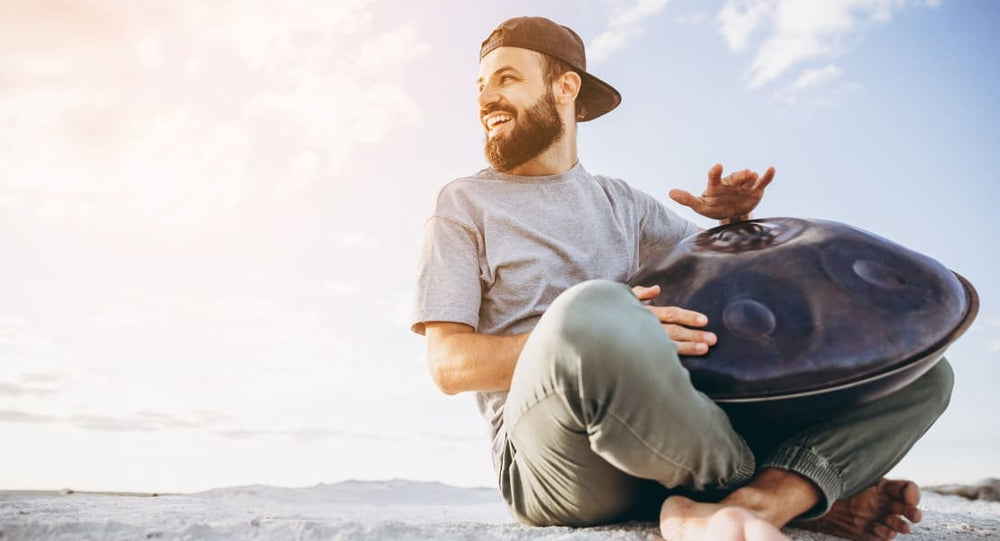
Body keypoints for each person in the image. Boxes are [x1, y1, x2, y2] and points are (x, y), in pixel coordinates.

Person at [411, 16, 952, 541]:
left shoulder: (623, 203)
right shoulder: (463, 204)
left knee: (925, 370)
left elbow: (735, 290)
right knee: (591, 309)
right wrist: (603, 339)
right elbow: (448, 365)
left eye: (506, 79)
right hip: (554, 461)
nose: (486, 98)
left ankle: (761, 503)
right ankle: (797, 490)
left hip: (667, 437)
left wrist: (735, 226)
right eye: (480, 86)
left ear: (565, 87)